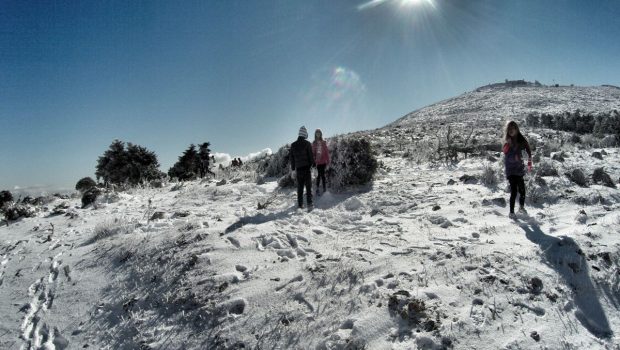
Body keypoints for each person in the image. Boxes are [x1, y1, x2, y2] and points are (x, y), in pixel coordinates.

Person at [503, 120, 533, 218]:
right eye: (509, 129)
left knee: (522, 190)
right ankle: (511, 212)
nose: (511, 130)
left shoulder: (521, 139)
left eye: (513, 128)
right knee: (514, 191)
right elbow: (507, 156)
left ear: (517, 129)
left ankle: (521, 207)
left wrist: (529, 163)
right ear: (507, 131)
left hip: (519, 170)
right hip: (511, 171)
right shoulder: (507, 142)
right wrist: (515, 157)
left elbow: (528, 151)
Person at [290, 126, 315, 208]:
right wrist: (314, 167)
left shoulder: (293, 145)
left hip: (299, 170)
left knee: (300, 188)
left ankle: (300, 205)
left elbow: (292, 158)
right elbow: (311, 157)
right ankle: (309, 204)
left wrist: (293, 169)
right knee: (308, 187)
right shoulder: (307, 144)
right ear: (305, 134)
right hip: (307, 169)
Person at [312, 128, 330, 196]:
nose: (318, 134)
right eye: (317, 133)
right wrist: (314, 161)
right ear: (315, 134)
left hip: (323, 162)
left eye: (319, 133)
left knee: (323, 176)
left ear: (321, 134)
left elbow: (326, 152)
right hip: (317, 163)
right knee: (318, 176)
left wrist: (328, 161)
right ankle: (317, 189)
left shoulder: (323, 142)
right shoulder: (314, 143)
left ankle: (324, 189)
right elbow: (313, 153)